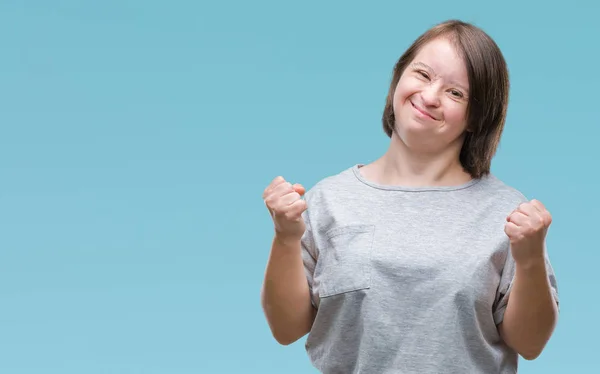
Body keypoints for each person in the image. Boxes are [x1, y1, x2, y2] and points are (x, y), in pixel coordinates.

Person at [260, 19, 559, 373]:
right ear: (398, 77)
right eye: (422, 74)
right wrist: (285, 239)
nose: (430, 97)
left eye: (455, 93)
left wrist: (529, 260)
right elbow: (286, 329)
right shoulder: (328, 201)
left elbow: (530, 343)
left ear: (476, 117)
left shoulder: (507, 215)